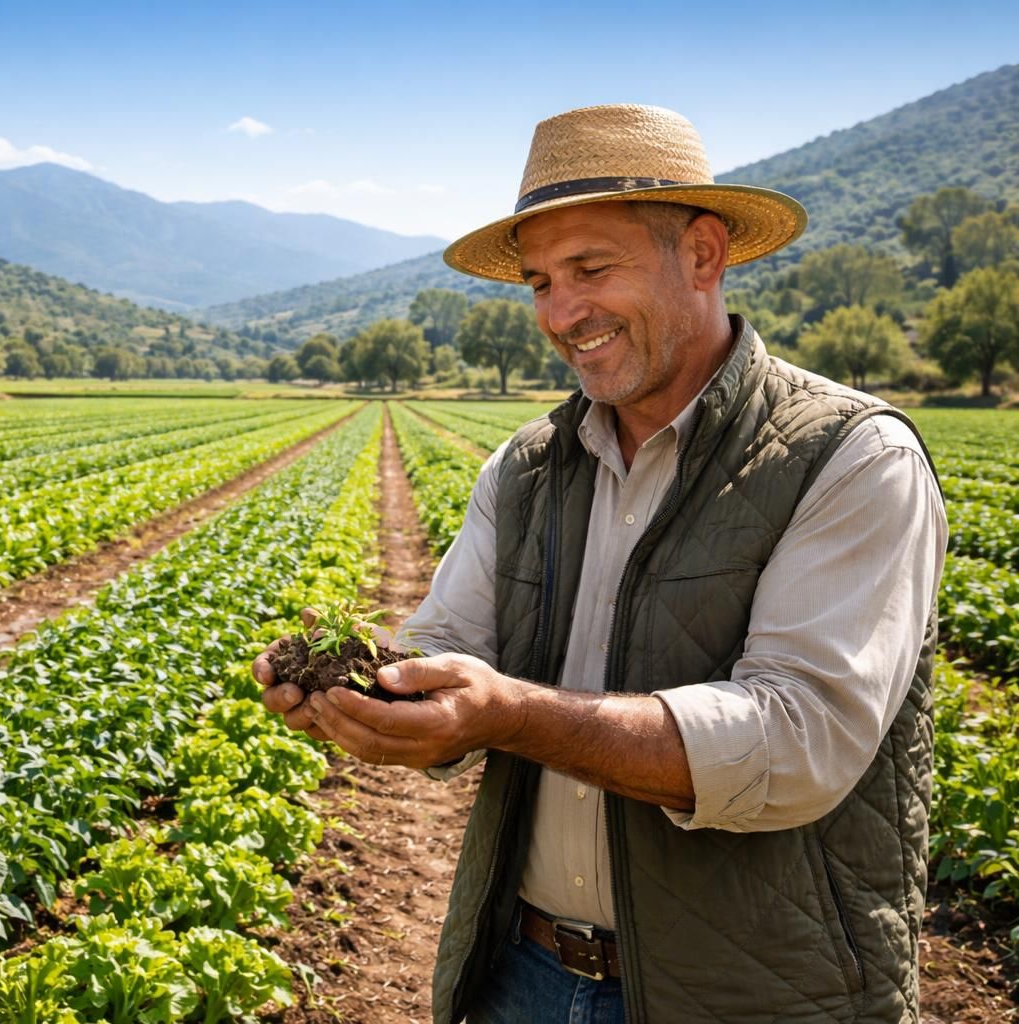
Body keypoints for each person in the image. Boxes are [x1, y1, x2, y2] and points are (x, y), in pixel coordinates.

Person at [254, 103, 946, 1024]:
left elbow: (798, 741)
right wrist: (372, 692)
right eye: (540, 281)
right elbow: (448, 643)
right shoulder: (528, 468)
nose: (561, 312)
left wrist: (511, 711)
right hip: (524, 974)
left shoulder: (852, 458)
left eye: (591, 269)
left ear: (703, 255)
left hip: (756, 994)